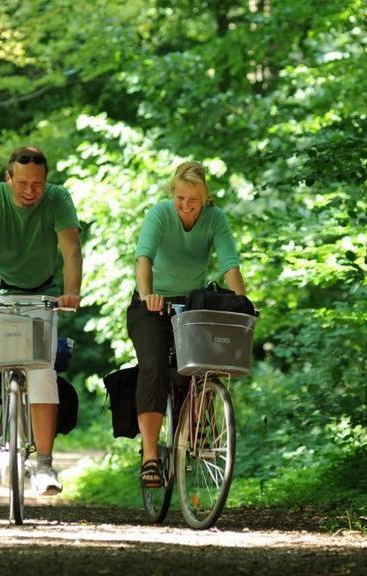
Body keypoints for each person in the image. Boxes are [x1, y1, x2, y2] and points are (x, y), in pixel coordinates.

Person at [0, 145, 82, 496]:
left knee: (42, 372)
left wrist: (71, 292)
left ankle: (44, 465)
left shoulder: (58, 200)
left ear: (46, 181)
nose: (30, 191)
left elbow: (71, 249)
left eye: (37, 184)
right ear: (8, 178)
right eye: (22, 182)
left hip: (41, 295)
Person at [127, 160, 246, 488]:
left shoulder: (215, 219)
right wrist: (147, 294)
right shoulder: (161, 214)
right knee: (153, 367)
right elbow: (144, 257)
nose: (185, 206)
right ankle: (150, 455)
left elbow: (229, 264)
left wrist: (240, 303)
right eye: (180, 198)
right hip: (151, 305)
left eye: (193, 200)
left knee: (199, 367)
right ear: (173, 194)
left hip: (191, 305)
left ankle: (194, 432)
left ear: (206, 198)